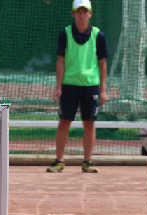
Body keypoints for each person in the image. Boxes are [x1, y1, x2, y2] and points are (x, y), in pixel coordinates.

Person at [47, 0, 111, 173]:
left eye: (85, 11)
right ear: (72, 13)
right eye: (78, 11)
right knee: (64, 122)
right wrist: (58, 87)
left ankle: (87, 161)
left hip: (91, 86)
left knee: (89, 124)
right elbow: (60, 61)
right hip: (69, 85)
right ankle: (59, 160)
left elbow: (102, 63)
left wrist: (103, 90)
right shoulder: (65, 34)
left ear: (90, 13)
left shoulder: (98, 35)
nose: (82, 14)